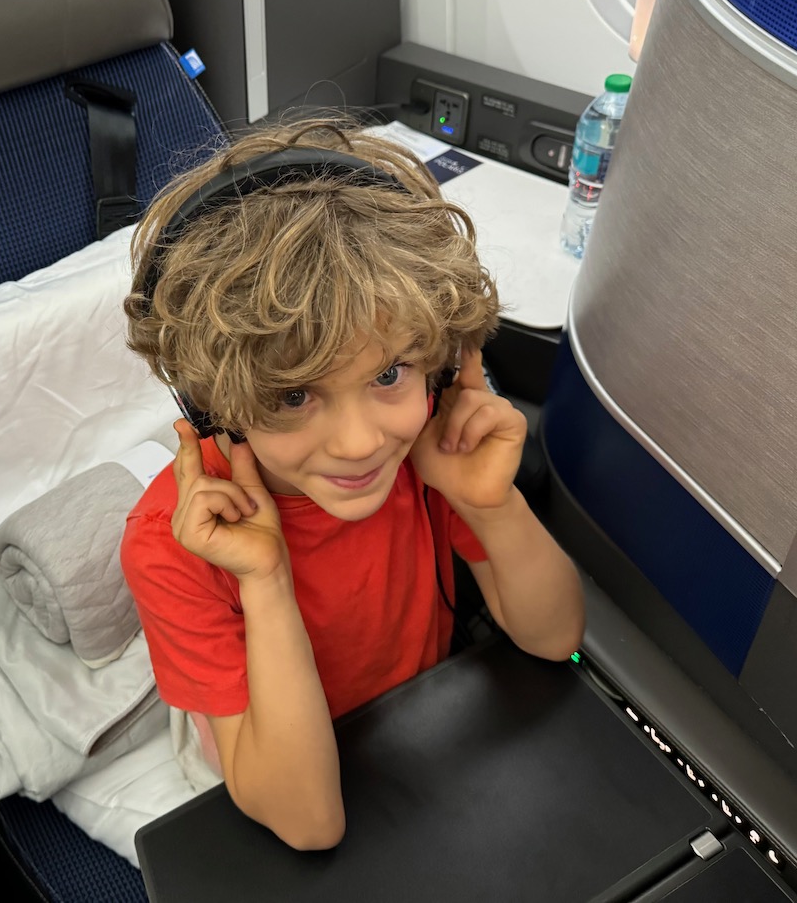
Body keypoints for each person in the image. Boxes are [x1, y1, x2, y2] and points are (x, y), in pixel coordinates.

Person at [120, 118, 585, 851]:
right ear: (212, 407)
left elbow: (557, 638)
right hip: (271, 754)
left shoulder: (428, 450)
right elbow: (310, 823)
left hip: (417, 720)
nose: (362, 441)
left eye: (388, 374)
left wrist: (489, 502)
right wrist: (266, 578)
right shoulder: (174, 545)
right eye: (294, 396)